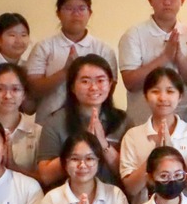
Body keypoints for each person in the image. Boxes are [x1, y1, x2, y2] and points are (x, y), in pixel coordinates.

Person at [22, 0, 120, 120]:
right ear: (58, 13)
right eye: (69, 8)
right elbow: (33, 89)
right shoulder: (44, 47)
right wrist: (64, 72)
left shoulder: (103, 49)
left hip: (93, 120)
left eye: (82, 8)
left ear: (90, 13)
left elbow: (109, 89)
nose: (76, 14)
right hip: (49, 120)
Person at [30, 56, 127, 189]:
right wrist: (80, 146)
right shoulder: (54, 122)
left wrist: (103, 144)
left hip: (112, 196)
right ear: (72, 87)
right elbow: (46, 176)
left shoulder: (123, 121)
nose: (93, 87)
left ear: (110, 85)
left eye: (100, 80)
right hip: (67, 196)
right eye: (85, 81)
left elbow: (127, 175)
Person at [117, 0, 187, 123]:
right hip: (143, 122)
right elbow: (130, 83)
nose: (167, 2)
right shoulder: (134, 35)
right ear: (150, 0)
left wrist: (179, 58)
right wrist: (164, 58)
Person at [117, 67, 187, 204]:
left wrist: (172, 150)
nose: (163, 98)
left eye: (170, 91)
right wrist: (155, 154)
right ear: (145, 96)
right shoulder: (132, 136)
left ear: (180, 96)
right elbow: (131, 189)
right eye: (155, 91)